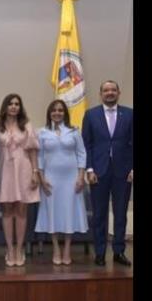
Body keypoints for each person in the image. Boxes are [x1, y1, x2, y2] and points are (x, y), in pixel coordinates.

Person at [82, 80, 133, 267]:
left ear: (118, 93)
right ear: (100, 94)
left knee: (120, 214)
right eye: (106, 90)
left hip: (123, 172)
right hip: (98, 172)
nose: (109, 93)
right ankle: (100, 252)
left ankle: (119, 251)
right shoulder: (91, 115)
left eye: (113, 90)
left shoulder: (130, 114)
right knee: (99, 215)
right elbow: (86, 145)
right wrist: (89, 169)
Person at [34, 99, 88, 265]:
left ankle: (67, 249)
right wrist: (42, 179)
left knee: (69, 212)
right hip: (50, 179)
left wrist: (81, 176)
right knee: (52, 212)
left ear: (65, 113)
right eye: (54, 110)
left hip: (71, 178)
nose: (57, 113)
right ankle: (56, 248)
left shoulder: (74, 131)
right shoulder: (42, 132)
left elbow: (82, 153)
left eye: (60, 110)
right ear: (49, 113)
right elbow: (39, 157)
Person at [0, 94, 40, 267]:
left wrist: (35, 172)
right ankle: (10, 249)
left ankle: (19, 249)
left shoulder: (26, 125)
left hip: (23, 170)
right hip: (4, 170)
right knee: (7, 211)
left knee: (21, 211)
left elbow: (33, 150)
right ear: (5, 106)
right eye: (10, 104)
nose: (14, 107)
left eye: (17, 104)